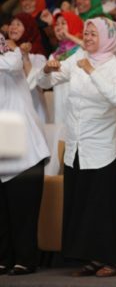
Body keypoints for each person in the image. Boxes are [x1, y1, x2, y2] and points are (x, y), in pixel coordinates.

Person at [38, 17, 116, 277]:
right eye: (86, 33)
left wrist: (92, 70)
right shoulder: (77, 58)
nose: (87, 38)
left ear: (107, 37)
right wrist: (48, 68)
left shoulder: (115, 67)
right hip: (77, 143)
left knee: (103, 204)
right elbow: (46, 83)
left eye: (93, 34)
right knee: (82, 202)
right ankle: (91, 257)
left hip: (103, 144)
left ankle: (114, 259)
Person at [0, 34, 50, 276]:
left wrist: (13, 48)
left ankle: (26, 259)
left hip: (24, 146)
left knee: (22, 208)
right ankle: (4, 257)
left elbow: (12, 63)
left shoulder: (11, 56)